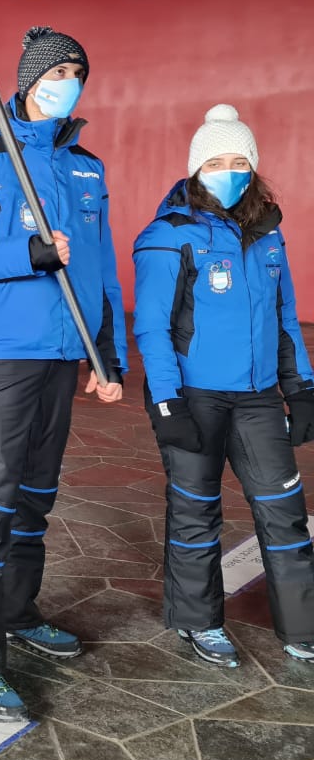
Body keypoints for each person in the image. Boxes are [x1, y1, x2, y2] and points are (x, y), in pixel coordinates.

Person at [0, 27, 126, 722]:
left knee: (35, 498)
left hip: (64, 356)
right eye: (57, 70)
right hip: (0, 353)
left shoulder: (86, 167)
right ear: (26, 78)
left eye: (77, 70)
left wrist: (109, 355)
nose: (67, 80)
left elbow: (100, 272)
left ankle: (15, 611)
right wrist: (26, 251)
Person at [134, 105, 314, 668]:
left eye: (241, 161)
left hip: (259, 397)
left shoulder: (268, 234)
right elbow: (152, 327)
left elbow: (285, 318)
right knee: (195, 510)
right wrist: (167, 401)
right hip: (194, 397)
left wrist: (303, 388)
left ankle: (303, 627)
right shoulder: (168, 234)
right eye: (217, 161)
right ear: (195, 169)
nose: (230, 172)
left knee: (285, 511)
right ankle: (197, 622)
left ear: (254, 169)